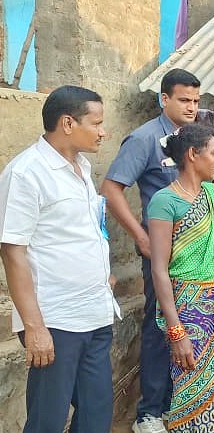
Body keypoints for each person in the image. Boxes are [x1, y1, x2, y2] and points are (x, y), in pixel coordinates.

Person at [0, 86, 114, 433]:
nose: (102, 131)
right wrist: (34, 327)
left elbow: (86, 230)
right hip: (56, 320)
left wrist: (102, 273)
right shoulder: (26, 173)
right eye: (96, 123)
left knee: (97, 414)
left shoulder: (81, 166)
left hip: (95, 313)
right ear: (67, 123)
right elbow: (12, 250)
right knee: (47, 419)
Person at [100, 68, 201, 433]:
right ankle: (149, 412)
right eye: (184, 100)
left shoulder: (195, 138)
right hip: (162, 252)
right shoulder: (144, 139)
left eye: (196, 100)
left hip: (196, 257)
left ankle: (181, 403)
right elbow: (111, 189)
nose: (191, 107)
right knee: (161, 327)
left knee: (189, 325)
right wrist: (142, 239)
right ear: (164, 99)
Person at [147, 124, 214, 432]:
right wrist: (176, 331)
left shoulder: (213, 194)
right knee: (190, 389)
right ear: (192, 154)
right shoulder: (165, 201)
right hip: (188, 310)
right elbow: (159, 270)